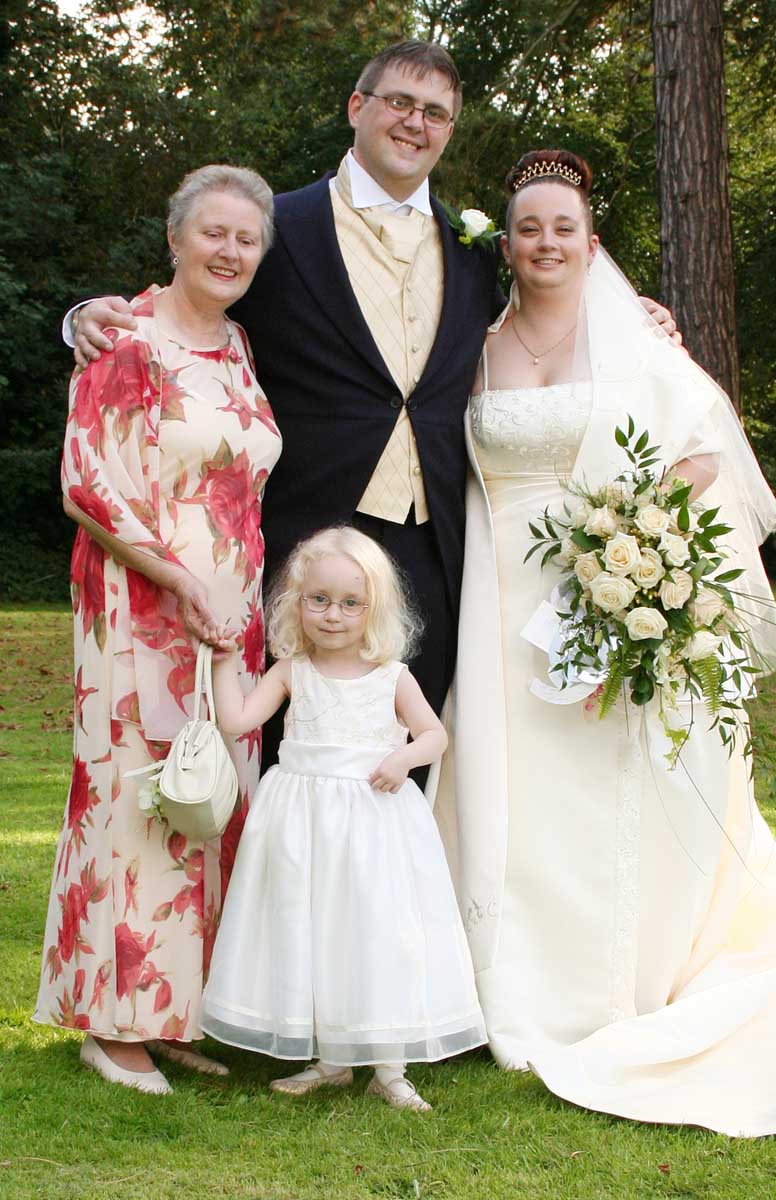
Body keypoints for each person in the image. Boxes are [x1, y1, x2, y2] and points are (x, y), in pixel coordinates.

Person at [433, 148, 776, 1139]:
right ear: (505, 246)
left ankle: (618, 988)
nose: (546, 243)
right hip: (501, 599)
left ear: (591, 242)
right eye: (528, 228)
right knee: (512, 791)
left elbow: (698, 457)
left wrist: (634, 556)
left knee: (606, 790)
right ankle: (499, 988)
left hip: (605, 590)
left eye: (564, 228)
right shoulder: (472, 345)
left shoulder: (636, 341)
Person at [67, 41, 679, 766]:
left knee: (412, 756)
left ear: (449, 129)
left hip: (435, 542)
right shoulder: (279, 228)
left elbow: (537, 321)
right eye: (400, 102)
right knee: (291, 755)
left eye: (436, 112)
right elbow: (194, 302)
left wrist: (632, 317)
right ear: (358, 107)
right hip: (307, 539)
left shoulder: (474, 249)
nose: (416, 123)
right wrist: (84, 317)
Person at [34, 165, 282, 1094]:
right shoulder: (124, 338)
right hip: (140, 603)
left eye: (246, 239)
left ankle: (173, 1011)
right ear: (175, 239)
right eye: (212, 232)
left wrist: (229, 597)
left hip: (229, 615)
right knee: (134, 802)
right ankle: (111, 1024)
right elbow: (87, 484)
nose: (229, 251)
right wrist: (178, 581)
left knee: (204, 801)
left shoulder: (238, 345)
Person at [199, 527, 486, 1111]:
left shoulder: (391, 675)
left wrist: (402, 759)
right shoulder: (291, 670)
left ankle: (390, 1066)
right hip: (303, 826)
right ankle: (331, 1060)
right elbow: (236, 721)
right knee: (319, 930)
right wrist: (224, 663)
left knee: (378, 931)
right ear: (296, 602)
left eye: (351, 603)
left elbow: (434, 735)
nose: (333, 615)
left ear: (374, 609)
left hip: (374, 825)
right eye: (319, 600)